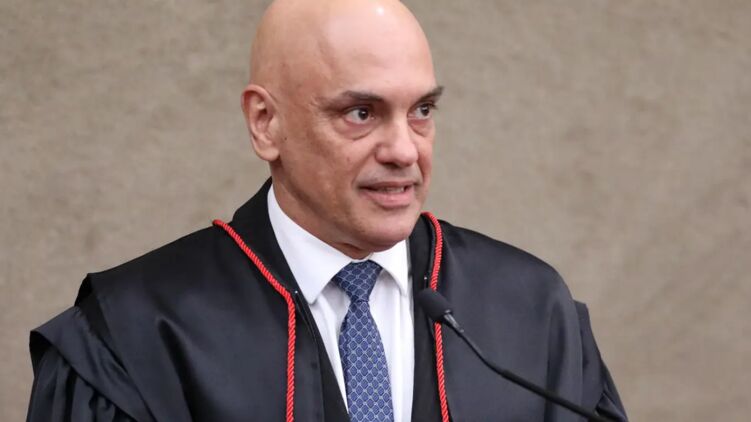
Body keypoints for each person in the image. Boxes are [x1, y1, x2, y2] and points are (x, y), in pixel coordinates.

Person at [26, 0, 628, 421]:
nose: (404, 150)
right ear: (266, 123)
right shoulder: (135, 335)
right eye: (361, 113)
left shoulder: (532, 313)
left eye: (421, 111)